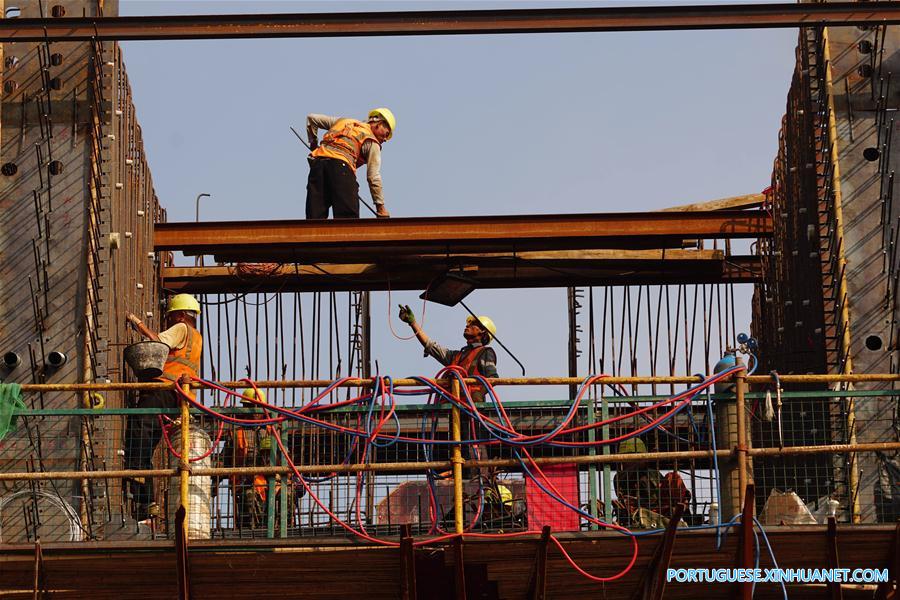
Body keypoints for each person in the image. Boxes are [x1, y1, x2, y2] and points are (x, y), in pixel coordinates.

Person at [124, 293, 203, 522]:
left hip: (161, 392)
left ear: (179, 314)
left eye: (169, 317)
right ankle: (147, 505)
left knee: (138, 443)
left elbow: (157, 343)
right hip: (177, 400)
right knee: (146, 448)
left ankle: (144, 500)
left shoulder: (181, 327)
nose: (169, 322)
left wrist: (136, 322)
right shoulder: (197, 338)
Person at [306, 108, 395, 219]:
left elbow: (312, 119)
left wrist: (313, 143)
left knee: (314, 221)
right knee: (348, 221)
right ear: (379, 124)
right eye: (386, 133)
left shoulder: (344, 122)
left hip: (317, 168)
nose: (386, 139)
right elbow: (373, 177)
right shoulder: (372, 141)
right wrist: (381, 209)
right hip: (341, 171)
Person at [397, 306, 498, 401]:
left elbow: (493, 378)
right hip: (449, 406)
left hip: (470, 408)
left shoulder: (485, 352)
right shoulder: (456, 356)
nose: (467, 325)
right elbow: (431, 346)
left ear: (483, 331)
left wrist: (479, 394)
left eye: (473, 324)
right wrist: (413, 323)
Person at [612, 437, 691, 528]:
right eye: (629, 457)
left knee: (673, 477)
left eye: (635, 457)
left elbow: (665, 491)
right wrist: (645, 460)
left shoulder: (654, 473)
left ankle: (688, 516)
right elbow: (632, 472)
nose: (630, 461)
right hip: (638, 514)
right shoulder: (620, 477)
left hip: (660, 510)